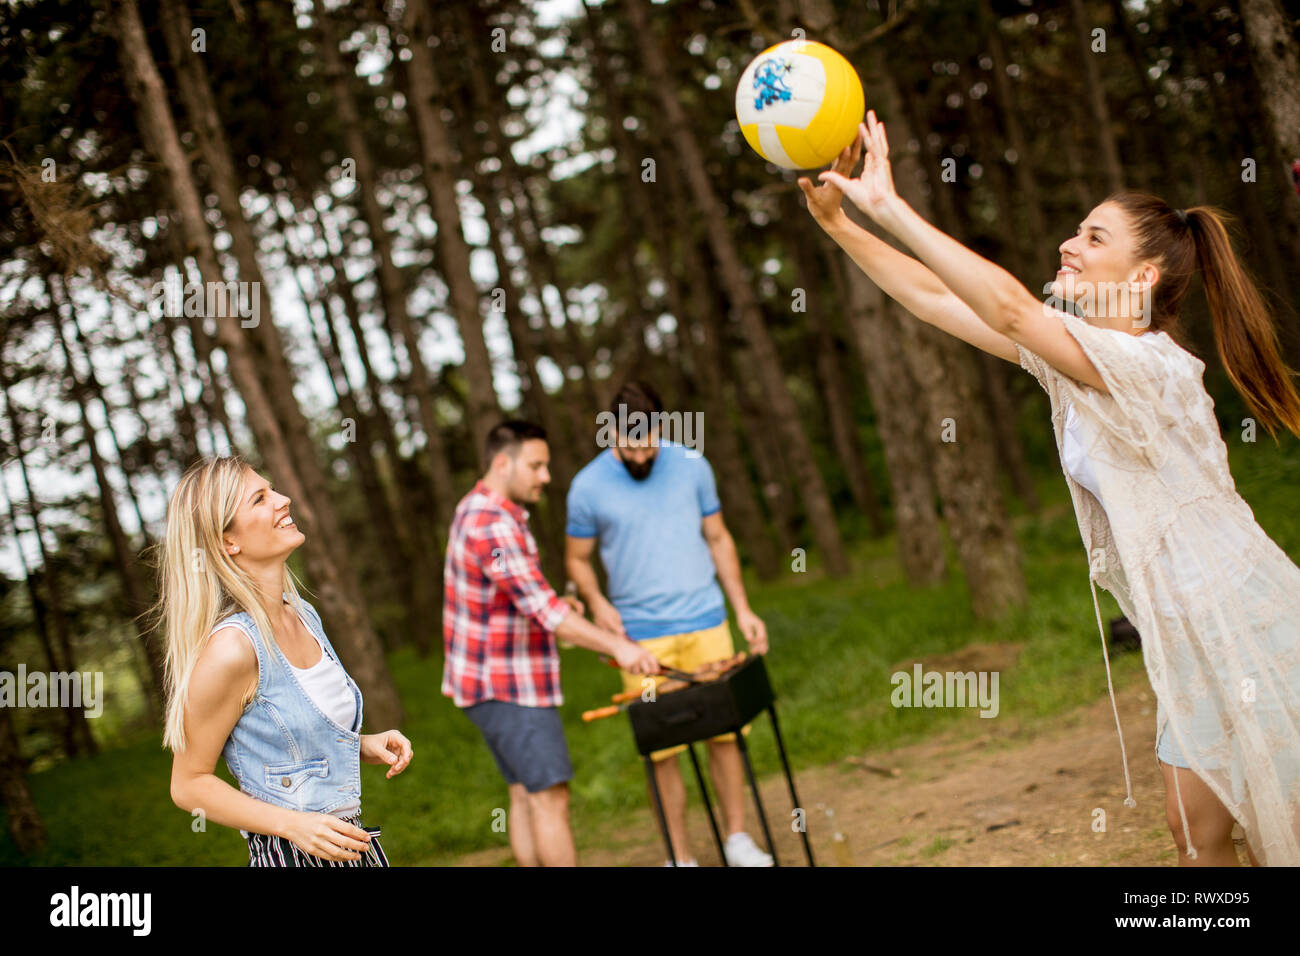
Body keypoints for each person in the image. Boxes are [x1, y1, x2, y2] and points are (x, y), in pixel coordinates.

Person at [800, 112, 1300, 866]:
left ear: (1143, 279)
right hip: (1182, 634)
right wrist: (841, 224)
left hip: (1242, 624)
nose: (1068, 243)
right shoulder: (1076, 360)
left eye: (1094, 237)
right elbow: (939, 300)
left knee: (1280, 816)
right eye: (1075, 229)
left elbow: (1008, 306)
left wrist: (891, 205)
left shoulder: (1151, 367)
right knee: (1195, 835)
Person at [160, 456, 412, 866]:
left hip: (350, 848)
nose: (284, 500)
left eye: (272, 489)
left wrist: (362, 744)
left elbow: (288, 739)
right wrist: (293, 825)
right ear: (228, 542)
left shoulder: (303, 615)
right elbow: (188, 785)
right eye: (260, 499)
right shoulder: (232, 650)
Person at [565, 381, 774, 867]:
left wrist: (742, 608)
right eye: (629, 444)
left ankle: (737, 840)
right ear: (610, 433)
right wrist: (596, 599)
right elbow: (576, 559)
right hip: (640, 640)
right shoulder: (587, 487)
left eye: (649, 441)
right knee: (662, 750)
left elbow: (719, 539)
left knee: (726, 737)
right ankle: (679, 858)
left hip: (707, 623)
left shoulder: (693, 466)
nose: (641, 454)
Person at [443, 420, 660, 866]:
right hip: (507, 687)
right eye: (536, 466)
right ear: (502, 463)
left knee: (525, 794)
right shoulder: (491, 522)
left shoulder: (485, 511)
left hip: (489, 684)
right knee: (550, 799)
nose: (546, 476)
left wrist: (561, 607)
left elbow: (524, 600)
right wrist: (619, 647)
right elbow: (544, 612)